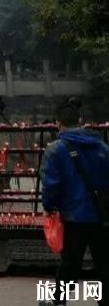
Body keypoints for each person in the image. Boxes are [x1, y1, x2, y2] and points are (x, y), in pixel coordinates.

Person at [41, 99, 109, 305]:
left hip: (74, 216)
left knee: (70, 264)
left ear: (58, 123)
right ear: (81, 121)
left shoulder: (55, 150)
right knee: (105, 263)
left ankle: (58, 301)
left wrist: (49, 207)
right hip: (102, 216)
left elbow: (51, 184)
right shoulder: (102, 147)